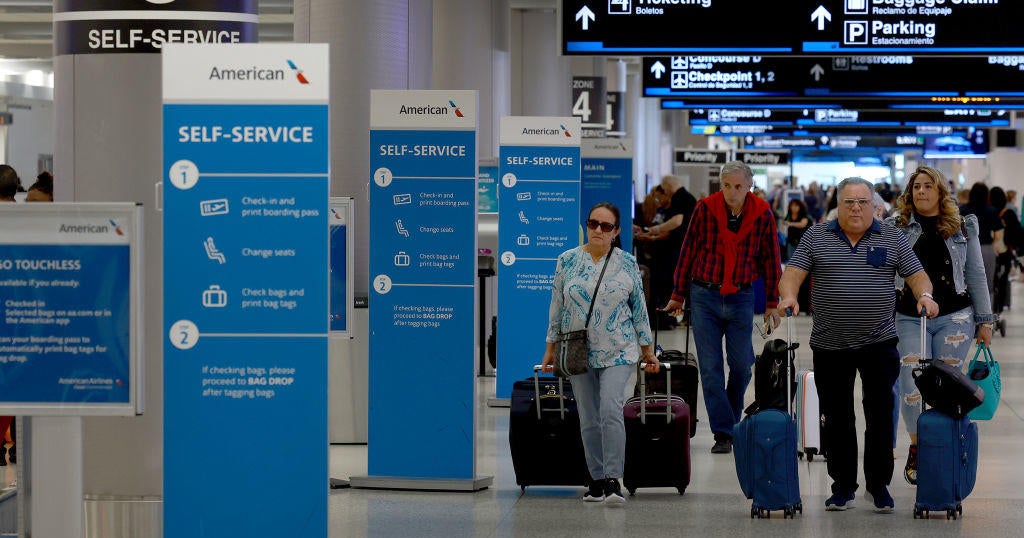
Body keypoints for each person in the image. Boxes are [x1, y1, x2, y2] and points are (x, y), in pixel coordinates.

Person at [777, 177, 938, 514]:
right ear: (838, 205)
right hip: (829, 344)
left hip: (879, 342)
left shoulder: (891, 236)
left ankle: (878, 486)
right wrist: (789, 296)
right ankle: (842, 487)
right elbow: (792, 272)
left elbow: (916, 274)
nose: (855, 208)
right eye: (848, 202)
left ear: (873, 205)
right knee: (836, 417)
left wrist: (924, 295)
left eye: (862, 202)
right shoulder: (817, 236)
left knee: (880, 414)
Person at [542, 202, 659, 504]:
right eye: (593, 223)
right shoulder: (567, 260)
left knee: (610, 409)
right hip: (577, 350)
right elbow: (557, 307)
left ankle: (613, 479)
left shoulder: (627, 263)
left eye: (606, 226)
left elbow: (639, 308)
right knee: (588, 417)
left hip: (618, 349)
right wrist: (550, 348)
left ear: (616, 231)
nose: (598, 230)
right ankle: (595, 479)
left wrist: (647, 349)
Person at [663, 161, 782, 454]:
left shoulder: (762, 213)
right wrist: (678, 294)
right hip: (704, 295)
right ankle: (724, 431)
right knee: (711, 369)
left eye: (738, 186)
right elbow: (688, 251)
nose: (731, 192)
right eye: (726, 185)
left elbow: (770, 258)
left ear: (749, 186)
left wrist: (772, 303)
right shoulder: (705, 208)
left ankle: (728, 419)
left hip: (741, 296)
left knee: (741, 366)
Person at [886, 167, 994, 486]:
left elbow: (975, 274)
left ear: (940, 192)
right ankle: (918, 446)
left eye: (927, 186)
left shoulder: (962, 227)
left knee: (947, 386)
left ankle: (942, 446)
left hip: (955, 318)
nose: (921, 191)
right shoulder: (898, 226)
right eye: (916, 186)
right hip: (909, 316)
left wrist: (985, 321)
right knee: (911, 384)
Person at [635, 175, 697, 329]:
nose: (665, 193)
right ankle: (673, 318)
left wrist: (654, 230)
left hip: (676, 250)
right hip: (681, 248)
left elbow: (676, 222)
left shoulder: (679, 197)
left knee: (669, 285)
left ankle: (668, 319)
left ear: (668, 186)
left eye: (664, 189)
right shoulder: (688, 198)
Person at [959, 182, 1004, 307]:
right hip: (986, 248)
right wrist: (993, 244)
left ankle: (969, 310)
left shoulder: (963, 209)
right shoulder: (991, 210)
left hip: (965, 248)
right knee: (987, 283)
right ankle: (987, 313)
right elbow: (998, 234)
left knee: (966, 282)